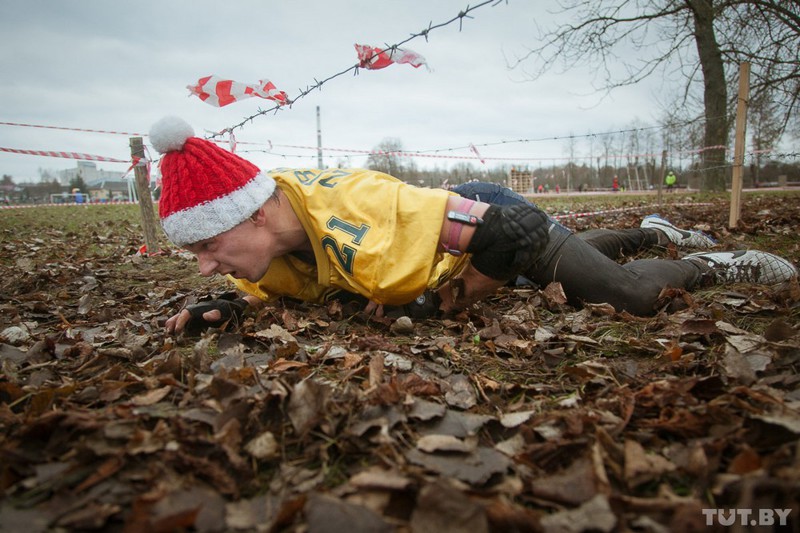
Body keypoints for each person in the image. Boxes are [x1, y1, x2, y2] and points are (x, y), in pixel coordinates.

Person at [149, 117, 797, 334]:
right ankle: (653, 229)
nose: (206, 262)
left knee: (625, 294)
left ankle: (716, 263)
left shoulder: (360, 207)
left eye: (208, 246)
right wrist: (223, 303)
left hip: (482, 214)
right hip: (457, 243)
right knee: (541, 269)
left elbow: (509, 232)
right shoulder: (266, 237)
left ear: (256, 213)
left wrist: (445, 302)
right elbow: (251, 279)